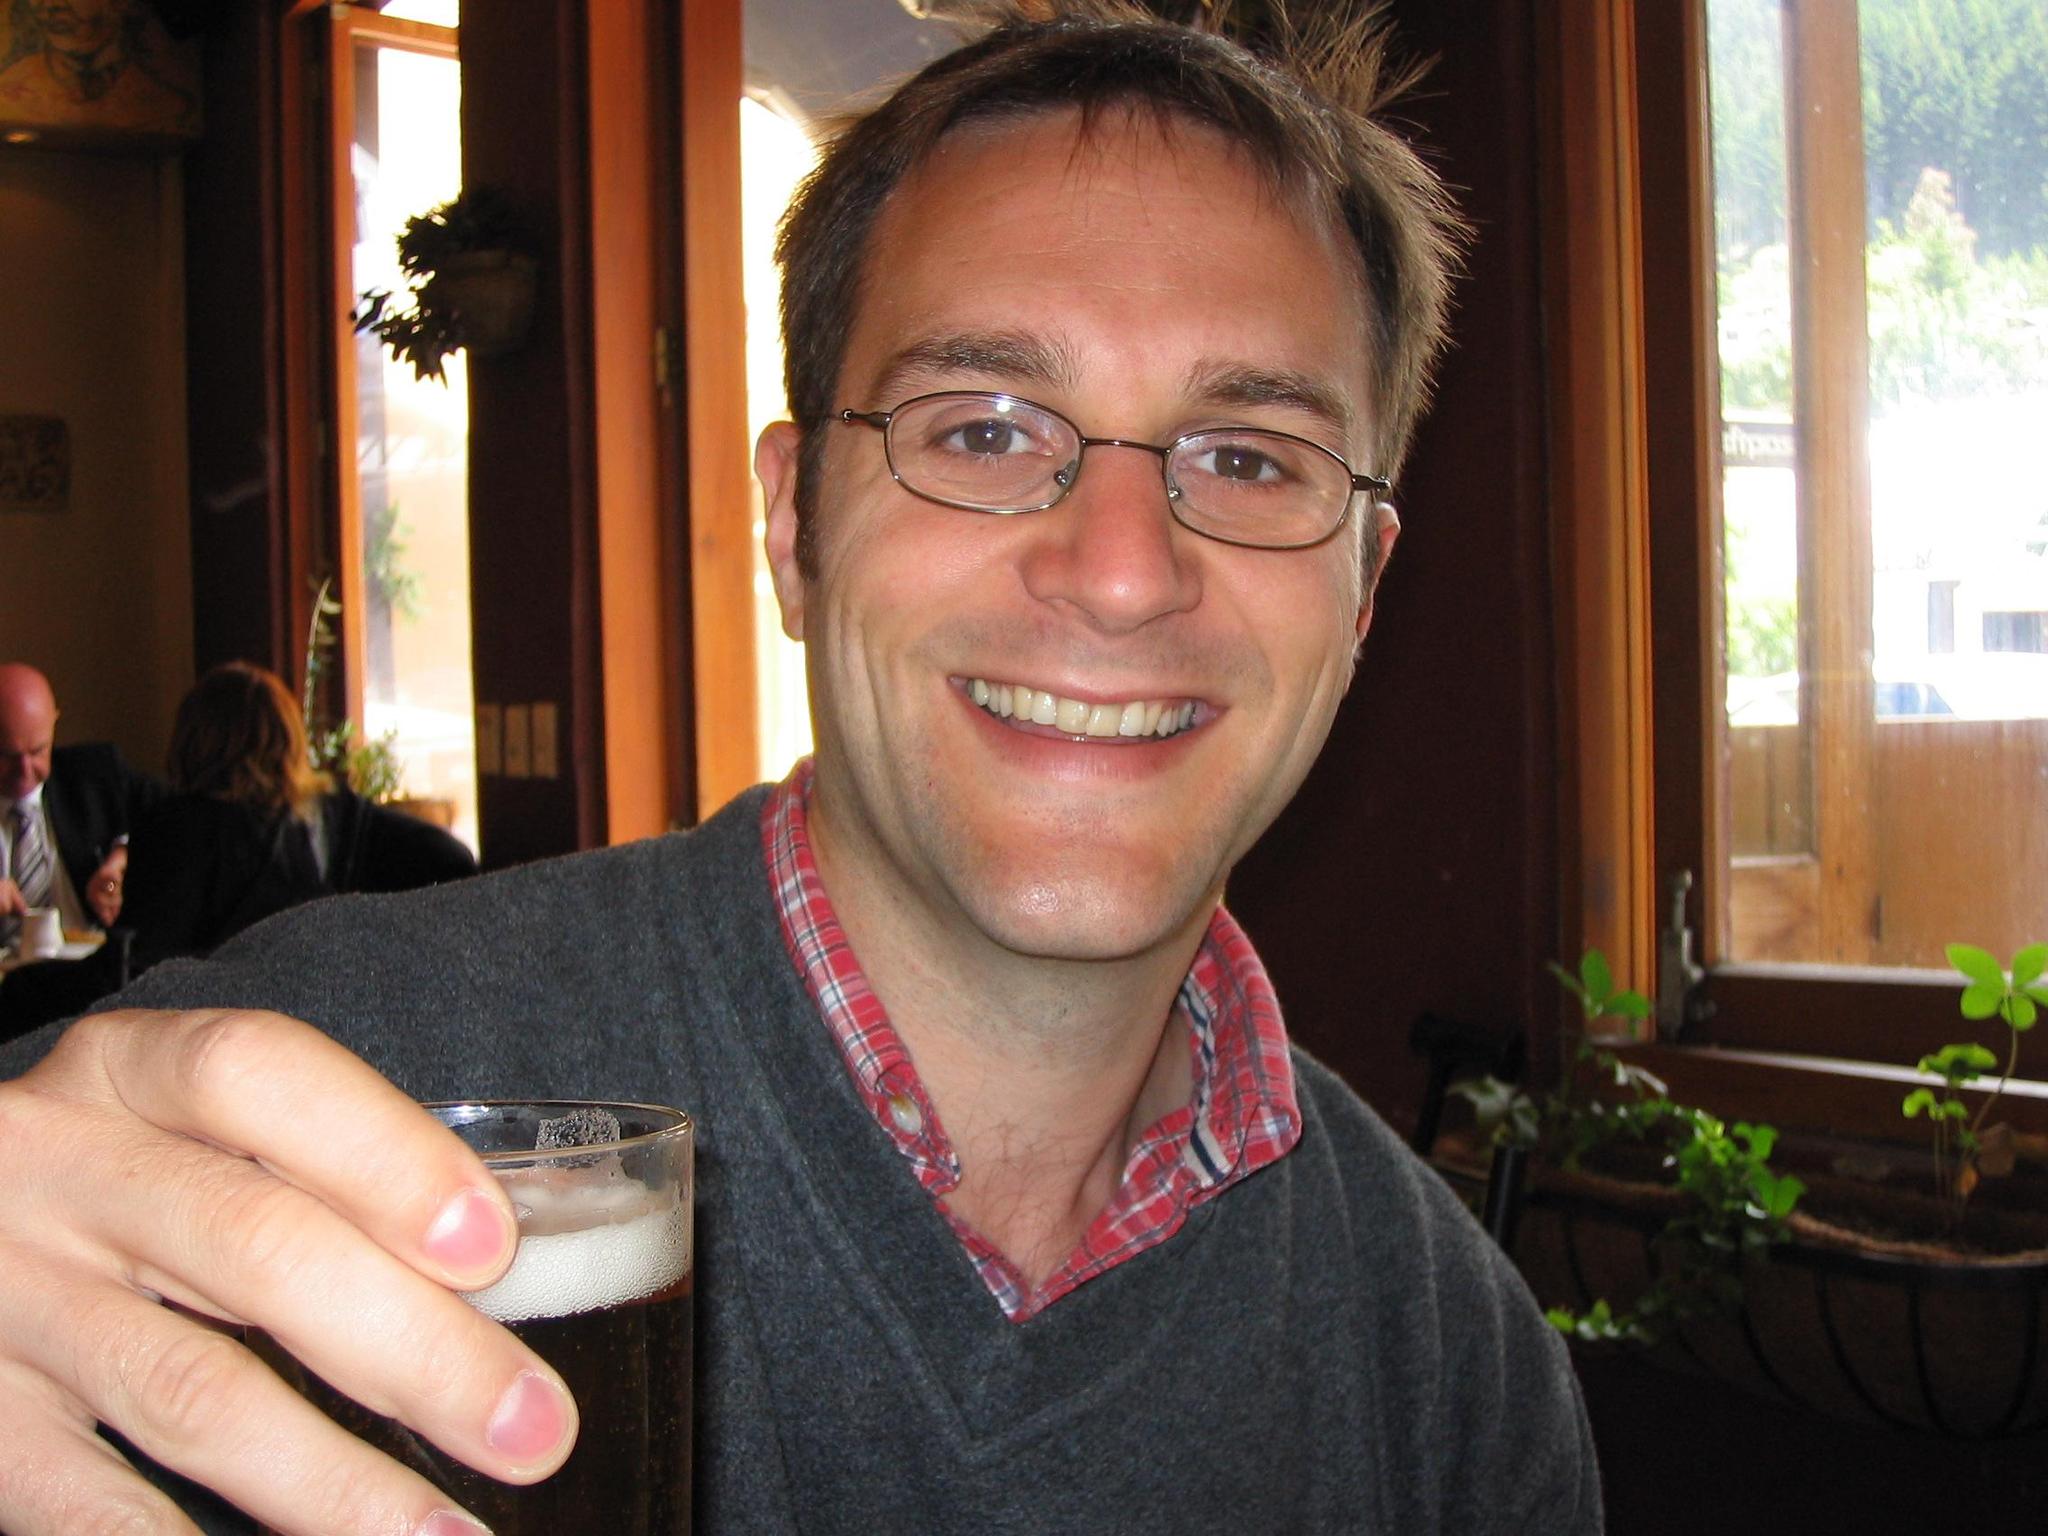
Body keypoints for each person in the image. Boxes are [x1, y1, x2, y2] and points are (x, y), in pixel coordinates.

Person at [0, 7, 1603, 1534]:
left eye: (1250, 459)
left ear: (1364, 590)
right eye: (984, 428)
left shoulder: (1455, 1370)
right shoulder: (319, 1097)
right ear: (792, 526)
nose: (1122, 573)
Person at [113, 662, 478, 975]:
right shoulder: (338, 819)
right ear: (291, 739)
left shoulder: (176, 831)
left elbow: (140, 961)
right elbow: (452, 859)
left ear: (192, 740)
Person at [0, 660, 163, 938]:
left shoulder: (94, 774)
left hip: (90, 956)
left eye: (38, 751)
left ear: (54, 725)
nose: (25, 770)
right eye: (7, 755)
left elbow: (177, 817)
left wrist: (123, 857)